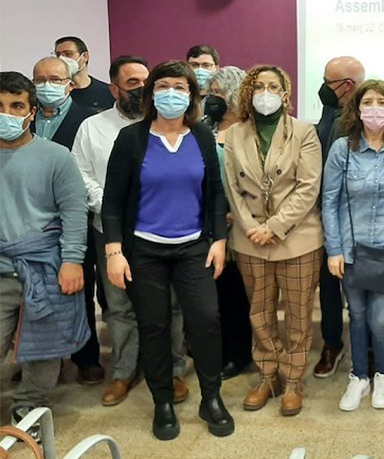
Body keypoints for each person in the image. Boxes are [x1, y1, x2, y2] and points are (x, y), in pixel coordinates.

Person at [102, 61, 233, 440]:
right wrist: (114, 251)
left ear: (191, 95)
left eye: (180, 86)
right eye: (163, 86)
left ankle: (212, 398)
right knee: (154, 326)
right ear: (151, 93)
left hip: (194, 247)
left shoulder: (203, 137)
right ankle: (162, 402)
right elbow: (113, 200)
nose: (171, 93)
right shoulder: (131, 139)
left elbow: (215, 193)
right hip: (143, 250)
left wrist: (219, 241)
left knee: (206, 321)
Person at [71, 55, 191, 405]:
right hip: (109, 233)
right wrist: (112, 206)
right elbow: (81, 175)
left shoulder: (167, 125)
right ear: (114, 88)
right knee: (120, 306)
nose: (141, 90)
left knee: (170, 304)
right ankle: (124, 371)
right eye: (132, 83)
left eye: (145, 82)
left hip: (161, 230)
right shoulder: (92, 127)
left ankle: (173, 370)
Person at [224, 65, 323, 416]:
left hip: (297, 238)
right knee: (259, 313)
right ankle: (267, 376)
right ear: (249, 92)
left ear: (285, 94)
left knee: (298, 314)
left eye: (273, 86)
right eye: (259, 86)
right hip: (250, 238)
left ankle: (292, 379)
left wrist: (276, 226)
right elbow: (232, 188)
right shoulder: (234, 134)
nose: (266, 92)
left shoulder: (304, 131)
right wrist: (252, 226)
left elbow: (308, 186)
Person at [0, 71, 89, 438]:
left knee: (45, 347)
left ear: (31, 112)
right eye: (0, 106)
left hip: (48, 266)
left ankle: (30, 406)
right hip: (2, 269)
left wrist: (72, 261)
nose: (7, 113)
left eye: (16, 106)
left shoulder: (57, 157)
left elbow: (73, 212)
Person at [322, 79, 384, 411]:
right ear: (356, 110)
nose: (374, 109)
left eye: (381, 102)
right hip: (350, 250)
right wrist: (334, 249)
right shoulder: (343, 148)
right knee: (356, 316)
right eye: (367, 102)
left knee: (381, 319)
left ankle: (382, 375)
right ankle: (359, 377)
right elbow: (329, 202)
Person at [32, 56, 103, 384]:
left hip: (77, 217)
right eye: (40, 79)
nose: (47, 86)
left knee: (79, 287)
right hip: (32, 221)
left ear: (70, 85)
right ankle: (41, 358)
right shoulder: (23, 120)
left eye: (55, 80)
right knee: (35, 292)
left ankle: (86, 357)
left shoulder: (88, 120)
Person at [313, 56, 366, 378]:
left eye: (327, 81)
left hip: (361, 218)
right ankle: (332, 342)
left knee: (362, 287)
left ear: (347, 86)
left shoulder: (369, 115)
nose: (323, 87)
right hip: (324, 214)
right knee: (329, 285)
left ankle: (367, 347)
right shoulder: (327, 112)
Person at [205, 66, 253, 380]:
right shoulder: (200, 128)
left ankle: (239, 353)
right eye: (210, 92)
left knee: (238, 294)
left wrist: (240, 210)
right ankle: (214, 350)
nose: (213, 99)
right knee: (214, 294)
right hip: (208, 223)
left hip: (242, 223)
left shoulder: (250, 130)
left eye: (220, 93)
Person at [54, 36, 114, 112]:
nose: (62, 59)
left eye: (68, 54)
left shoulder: (107, 92)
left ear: (85, 56)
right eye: (58, 55)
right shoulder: (54, 93)